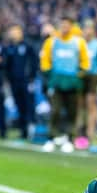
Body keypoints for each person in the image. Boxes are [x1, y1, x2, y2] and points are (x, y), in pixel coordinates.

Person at [40, 16, 89, 152]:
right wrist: (49, 73)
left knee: (72, 111)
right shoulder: (52, 42)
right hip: (56, 81)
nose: (64, 27)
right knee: (55, 110)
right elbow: (45, 60)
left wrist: (80, 74)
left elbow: (85, 61)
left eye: (67, 25)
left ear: (72, 26)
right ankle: (51, 137)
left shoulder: (79, 42)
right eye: (62, 25)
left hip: (73, 81)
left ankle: (69, 138)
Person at [5, 25, 38, 140]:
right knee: (19, 105)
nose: (13, 34)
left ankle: (32, 130)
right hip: (14, 81)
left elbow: (34, 62)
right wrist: (8, 79)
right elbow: (7, 65)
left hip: (26, 81)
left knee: (29, 105)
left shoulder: (28, 46)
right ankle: (23, 130)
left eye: (15, 31)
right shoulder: (10, 47)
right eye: (12, 31)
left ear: (20, 32)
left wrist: (31, 77)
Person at [77, 19, 97, 148]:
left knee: (91, 105)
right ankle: (79, 134)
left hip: (93, 77)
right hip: (80, 76)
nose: (87, 31)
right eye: (85, 28)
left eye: (90, 28)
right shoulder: (78, 44)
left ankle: (90, 134)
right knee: (80, 106)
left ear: (93, 31)